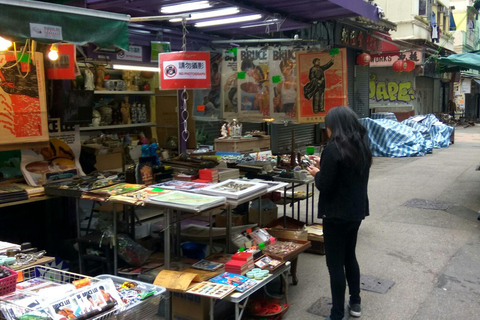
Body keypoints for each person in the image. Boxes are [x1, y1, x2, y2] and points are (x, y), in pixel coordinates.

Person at [306, 106, 372, 320]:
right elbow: (346, 176)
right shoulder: (361, 146)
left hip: (335, 215)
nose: (326, 131)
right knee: (350, 256)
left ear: (333, 127)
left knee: (335, 264)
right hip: (356, 213)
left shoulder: (333, 149)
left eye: (327, 127)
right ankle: (355, 303)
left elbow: (325, 185)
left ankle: (336, 313)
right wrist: (323, 165)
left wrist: (317, 173)